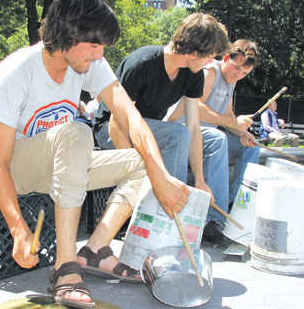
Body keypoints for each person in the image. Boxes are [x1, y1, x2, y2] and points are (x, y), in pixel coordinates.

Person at [0, 0, 189, 309]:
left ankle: (95, 249)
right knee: (78, 131)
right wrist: (19, 231)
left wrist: (160, 174)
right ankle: (65, 268)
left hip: (66, 163)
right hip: (18, 167)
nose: (99, 54)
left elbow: (130, 117)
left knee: (140, 161)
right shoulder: (16, 72)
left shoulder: (90, 64)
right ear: (68, 34)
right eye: (94, 45)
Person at [92, 12, 230, 243]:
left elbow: (194, 127)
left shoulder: (193, 73)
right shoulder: (141, 64)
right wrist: (135, 169)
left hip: (149, 132)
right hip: (111, 129)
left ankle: (168, 215)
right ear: (195, 51)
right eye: (210, 56)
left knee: (183, 133)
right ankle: (171, 217)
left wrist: (199, 179)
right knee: (176, 134)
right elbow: (118, 124)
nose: (211, 63)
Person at [165, 39, 261, 244]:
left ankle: (234, 206)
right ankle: (213, 220)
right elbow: (195, 107)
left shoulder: (232, 81)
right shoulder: (210, 71)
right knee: (219, 139)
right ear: (226, 58)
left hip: (210, 135)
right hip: (188, 132)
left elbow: (226, 114)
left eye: (244, 73)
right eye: (236, 68)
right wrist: (230, 122)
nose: (237, 75)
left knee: (251, 147)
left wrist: (240, 129)